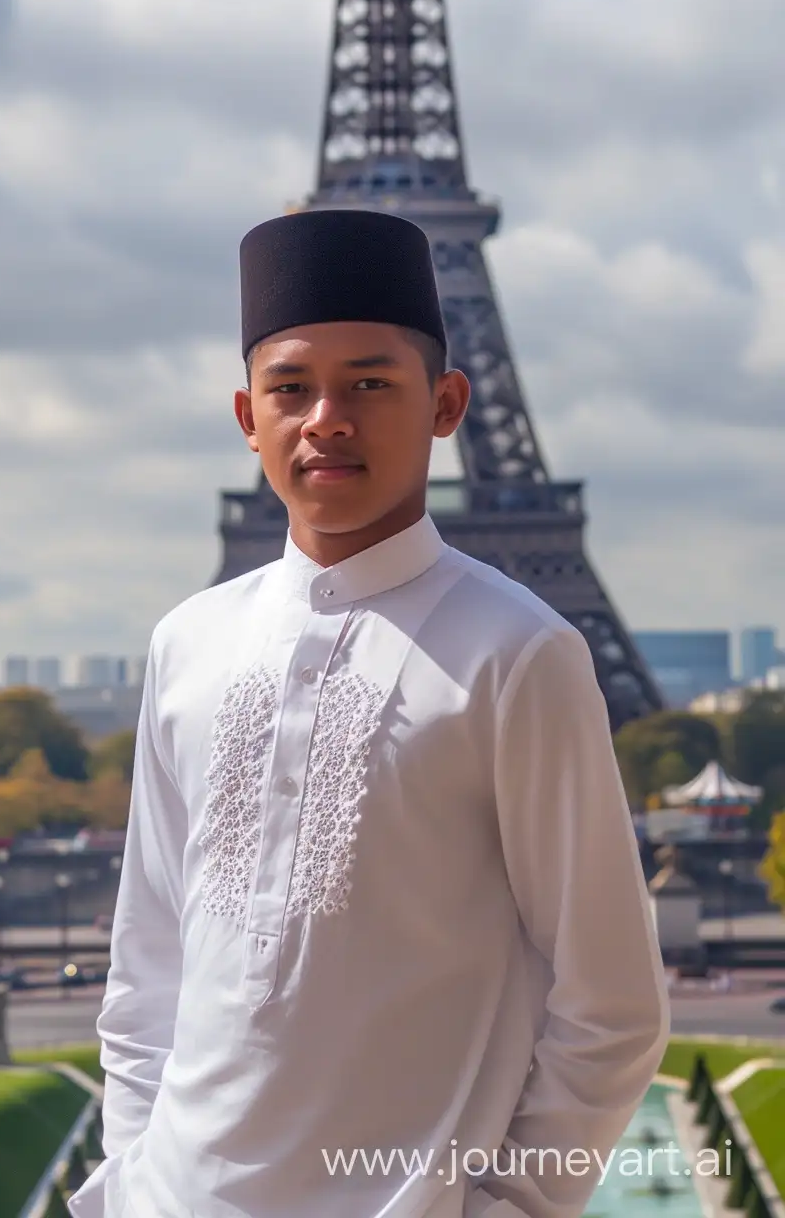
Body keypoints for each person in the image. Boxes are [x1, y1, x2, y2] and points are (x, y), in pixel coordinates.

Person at [76, 207, 668, 1218]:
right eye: (291, 387)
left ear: (445, 403)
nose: (325, 417)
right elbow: (145, 967)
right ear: (244, 414)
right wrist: (130, 1175)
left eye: (367, 383)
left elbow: (613, 1003)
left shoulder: (519, 653)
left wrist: (513, 1205)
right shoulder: (185, 643)